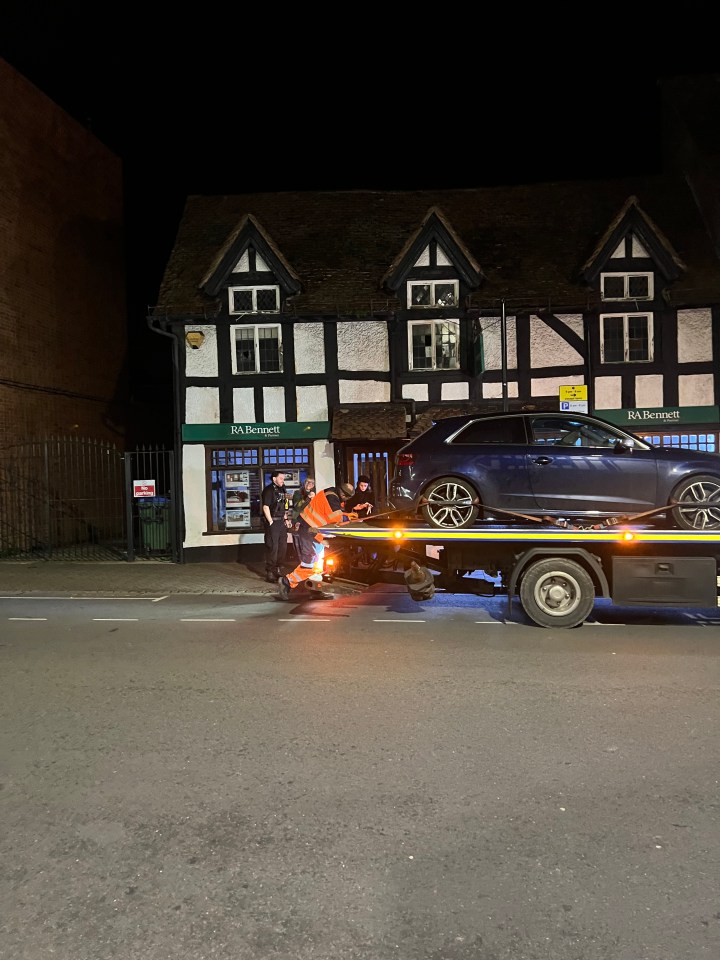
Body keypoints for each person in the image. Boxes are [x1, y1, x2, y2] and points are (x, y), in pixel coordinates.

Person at [278, 482, 357, 600]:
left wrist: (348, 515)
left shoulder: (330, 492)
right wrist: (348, 518)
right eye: (346, 497)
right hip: (309, 531)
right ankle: (287, 581)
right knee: (310, 564)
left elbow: (331, 513)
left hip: (313, 532)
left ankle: (316, 589)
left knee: (318, 563)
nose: (345, 499)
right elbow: (335, 518)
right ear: (344, 495)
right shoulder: (332, 498)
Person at [261, 470, 291, 582]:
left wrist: (286, 519)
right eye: (281, 478)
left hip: (281, 522)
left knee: (283, 547)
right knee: (273, 547)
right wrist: (270, 521)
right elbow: (265, 507)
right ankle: (270, 572)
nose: (283, 480)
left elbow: (285, 505)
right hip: (273, 522)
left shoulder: (283, 489)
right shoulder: (268, 490)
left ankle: (278, 569)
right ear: (274, 479)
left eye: (283, 479)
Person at [291, 477, 316, 558]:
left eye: (312, 483)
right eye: (308, 482)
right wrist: (307, 498)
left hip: (310, 521)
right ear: (304, 483)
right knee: (301, 541)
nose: (310, 484)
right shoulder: (298, 493)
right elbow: (297, 507)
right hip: (299, 520)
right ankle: (302, 560)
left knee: (309, 541)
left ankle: (310, 559)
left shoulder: (313, 494)